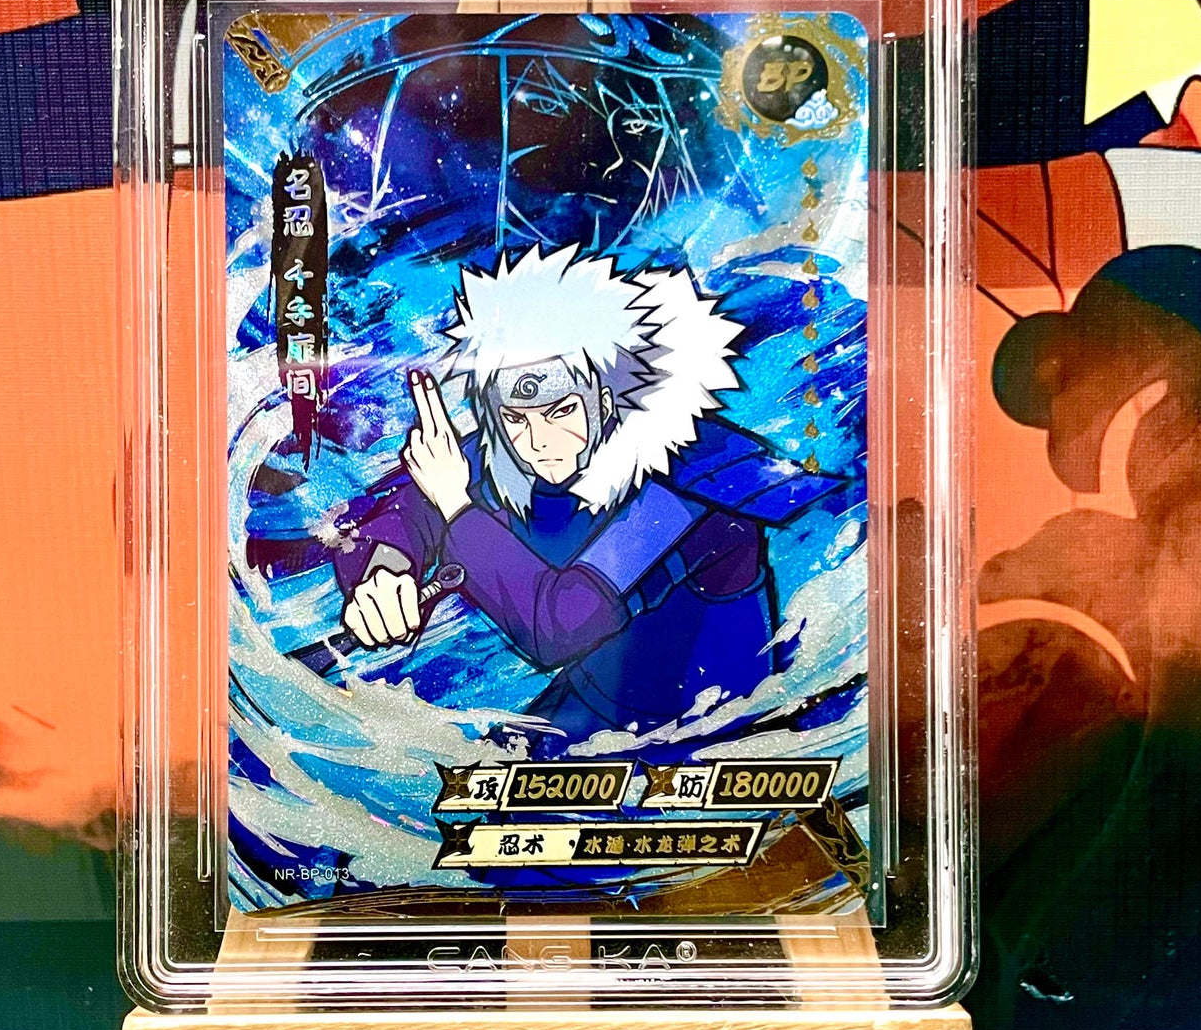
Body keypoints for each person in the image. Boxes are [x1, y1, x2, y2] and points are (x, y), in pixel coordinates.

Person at [331, 242, 840, 746]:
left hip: (711, 733)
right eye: (515, 419)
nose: (538, 442)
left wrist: (456, 508)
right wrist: (384, 572)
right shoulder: (511, 449)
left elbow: (559, 625)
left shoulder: (689, 483)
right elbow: (406, 505)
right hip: (593, 709)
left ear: (606, 397)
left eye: (560, 413)